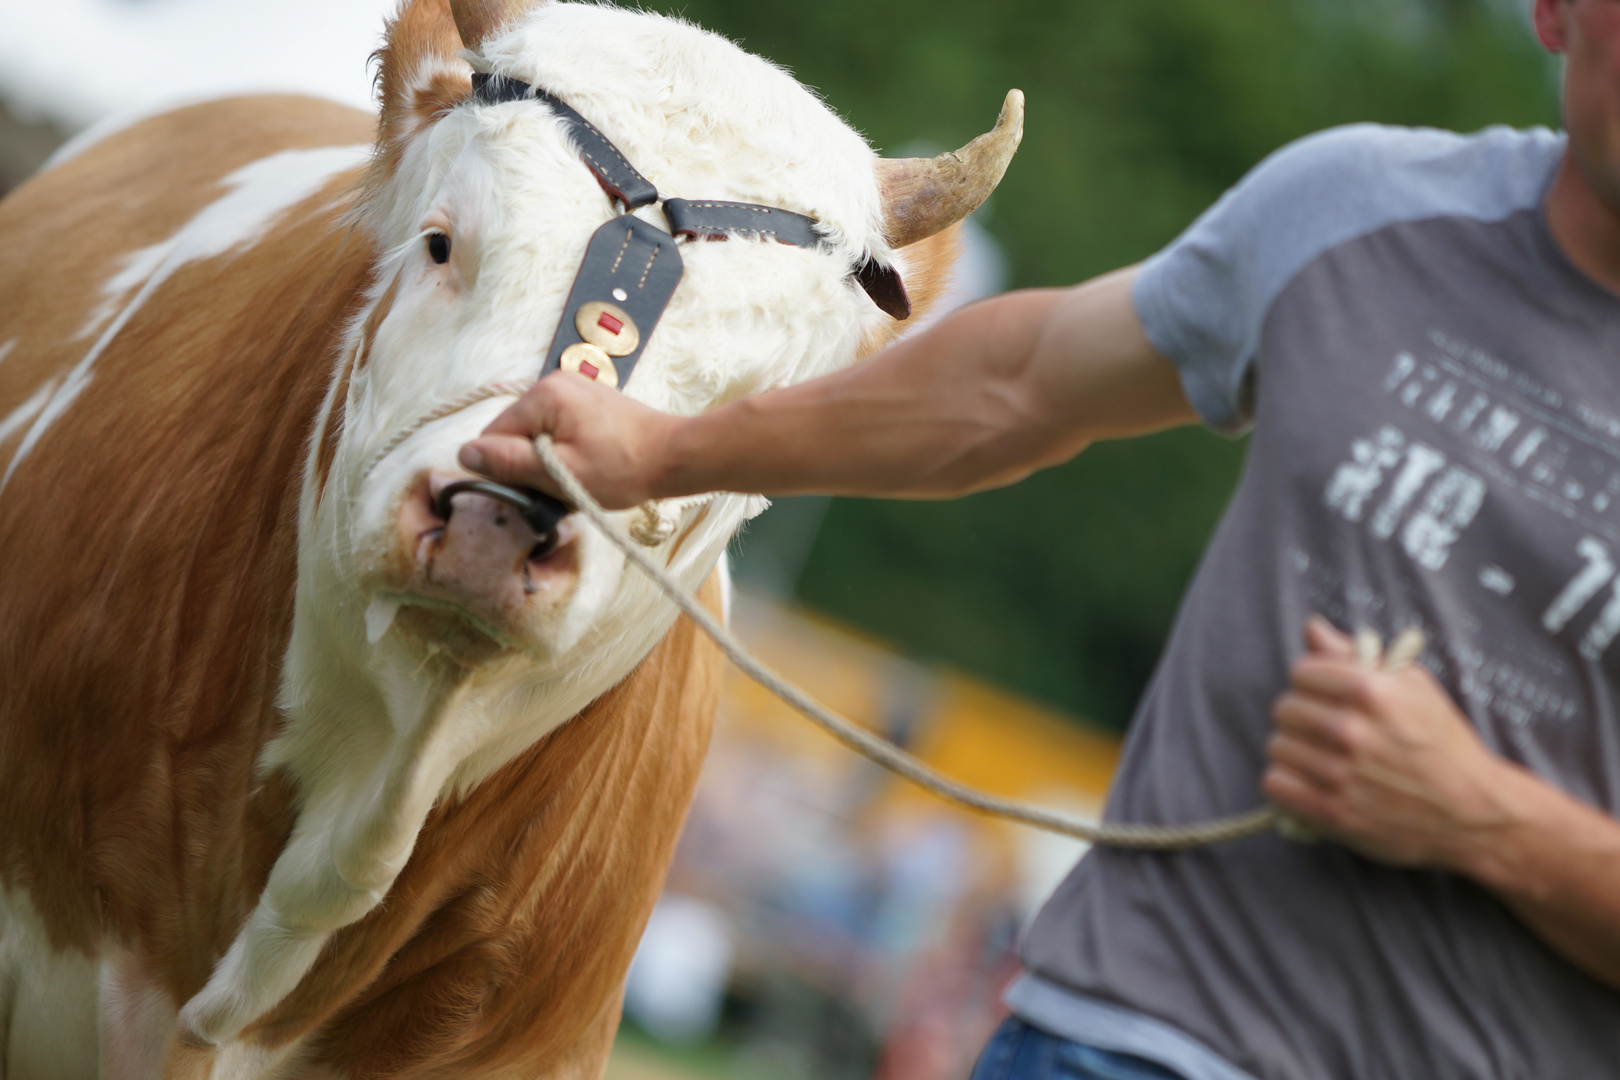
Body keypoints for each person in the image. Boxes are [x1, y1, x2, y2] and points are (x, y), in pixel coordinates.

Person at [458, 0, 1620, 1076]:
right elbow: (1015, 386)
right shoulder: (1360, 208)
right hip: (1113, 1039)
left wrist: (1481, 813)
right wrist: (662, 452)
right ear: (1557, 10)